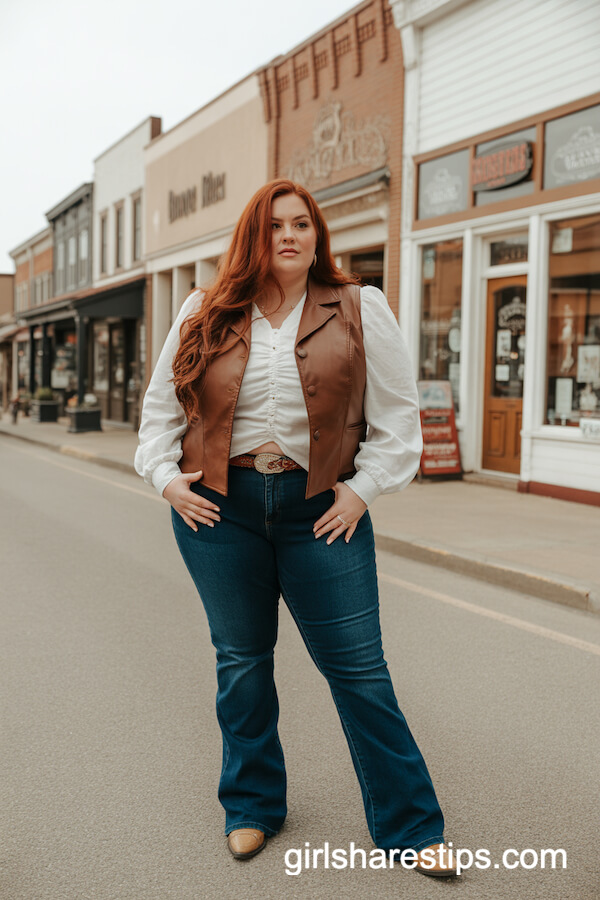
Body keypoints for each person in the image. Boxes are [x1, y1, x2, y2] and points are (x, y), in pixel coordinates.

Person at [134, 179, 458, 878]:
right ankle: (252, 807)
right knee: (242, 665)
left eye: (302, 224)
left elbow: (400, 423)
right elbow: (159, 413)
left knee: (360, 672)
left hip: (322, 511)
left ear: (317, 236)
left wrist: (362, 491)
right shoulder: (204, 310)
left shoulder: (360, 307)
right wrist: (165, 481)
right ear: (255, 236)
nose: (289, 235)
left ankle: (411, 825)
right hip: (222, 510)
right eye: (275, 224)